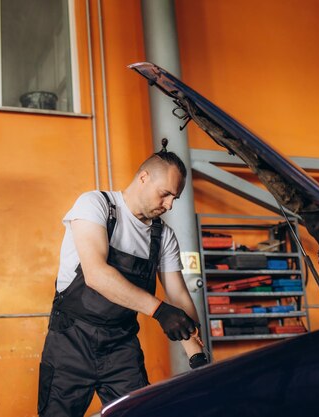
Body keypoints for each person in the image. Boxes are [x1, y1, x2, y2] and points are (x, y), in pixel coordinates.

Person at [38, 142, 208, 417]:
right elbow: (96, 275)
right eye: (165, 194)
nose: (169, 205)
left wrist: (198, 357)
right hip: (70, 341)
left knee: (140, 412)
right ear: (144, 178)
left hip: (121, 346)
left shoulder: (162, 236)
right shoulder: (95, 205)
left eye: (174, 199)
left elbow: (177, 297)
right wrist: (159, 310)